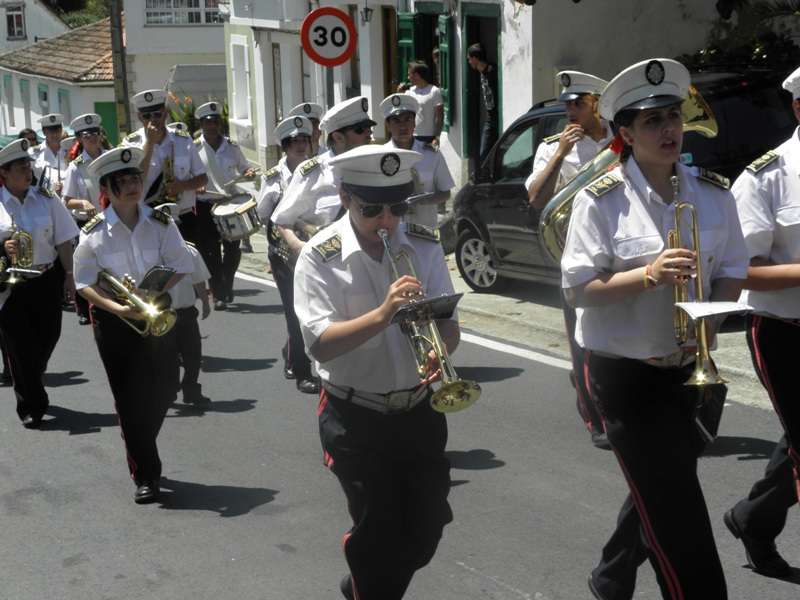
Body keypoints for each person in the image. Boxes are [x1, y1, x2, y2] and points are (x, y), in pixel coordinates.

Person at [561, 58, 748, 599]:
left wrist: (709, 322)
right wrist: (648, 275)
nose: (669, 129)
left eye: (672, 116)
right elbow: (579, 290)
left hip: (689, 370)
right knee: (678, 514)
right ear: (625, 132)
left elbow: (733, 268)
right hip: (626, 376)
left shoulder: (713, 194)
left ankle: (611, 574)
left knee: (664, 486)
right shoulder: (600, 201)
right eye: (651, 121)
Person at [294, 144, 458, 600]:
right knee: (380, 532)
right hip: (355, 415)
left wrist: (441, 350)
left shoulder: (423, 245)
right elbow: (321, 343)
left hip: (418, 410)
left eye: (397, 208)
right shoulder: (319, 257)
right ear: (345, 197)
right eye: (372, 209)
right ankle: (369, 580)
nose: (386, 221)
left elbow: (449, 324)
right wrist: (384, 313)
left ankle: (360, 585)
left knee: (427, 527)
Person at [73, 146, 193, 504]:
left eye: (135, 179)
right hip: (115, 322)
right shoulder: (93, 233)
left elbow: (181, 264)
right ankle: (146, 474)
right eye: (122, 181)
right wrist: (119, 308)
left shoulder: (161, 223)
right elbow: (84, 283)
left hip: (157, 311)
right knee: (129, 401)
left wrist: (153, 292)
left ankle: (141, 439)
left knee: (167, 387)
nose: (132, 186)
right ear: (107, 189)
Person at [723, 65, 800, 579]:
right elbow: (740, 271)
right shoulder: (765, 177)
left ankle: (752, 518)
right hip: (784, 332)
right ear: (798, 107)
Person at [528, 71, 613, 449]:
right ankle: (595, 417)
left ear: (598, 104)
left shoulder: (621, 140)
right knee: (584, 341)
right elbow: (535, 199)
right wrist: (561, 154)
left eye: (579, 103)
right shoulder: (552, 148)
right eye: (568, 104)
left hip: (619, 251)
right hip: (576, 255)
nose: (570, 111)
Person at [0, 139, 79, 429]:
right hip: (11, 286)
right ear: (4, 173)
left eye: (28, 165)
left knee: (49, 336)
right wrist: (3, 247)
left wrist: (69, 275)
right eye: (20, 168)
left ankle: (33, 374)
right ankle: (32, 406)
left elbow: (64, 239)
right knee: (19, 348)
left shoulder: (47, 199)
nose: (27, 171)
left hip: (45, 279)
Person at [271, 96, 374, 267]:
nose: (368, 134)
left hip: (366, 260)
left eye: (369, 128)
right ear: (338, 137)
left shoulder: (374, 166)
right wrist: (300, 249)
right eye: (360, 130)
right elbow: (282, 219)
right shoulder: (313, 172)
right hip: (325, 265)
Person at [255, 115, 317, 394]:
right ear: (285, 146)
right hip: (283, 254)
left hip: (313, 250)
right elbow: (262, 215)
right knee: (295, 312)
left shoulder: (317, 170)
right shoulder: (273, 178)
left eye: (305, 140)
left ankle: (291, 350)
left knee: (315, 310)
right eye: (294, 142)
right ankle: (303, 372)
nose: (301, 146)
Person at [192, 101, 257, 310]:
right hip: (205, 206)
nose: (212, 126)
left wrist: (248, 172)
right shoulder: (194, 148)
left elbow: (245, 167)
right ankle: (218, 293)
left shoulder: (232, 147)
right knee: (209, 252)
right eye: (207, 122)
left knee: (232, 250)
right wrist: (195, 186)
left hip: (229, 204)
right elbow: (186, 175)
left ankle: (226, 283)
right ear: (201, 124)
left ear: (220, 123)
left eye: (215, 122)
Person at [122, 89, 208, 244]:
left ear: (166, 113)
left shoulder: (183, 139)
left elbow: (202, 178)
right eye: (147, 116)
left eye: (157, 114)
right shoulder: (131, 144)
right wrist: (149, 143)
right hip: (147, 216)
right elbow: (136, 178)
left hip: (183, 216)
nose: (153, 120)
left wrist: (182, 186)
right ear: (139, 117)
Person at [381, 93, 454, 230]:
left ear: (414, 123)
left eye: (407, 119)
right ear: (388, 126)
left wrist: (422, 200)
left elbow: (445, 192)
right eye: (396, 121)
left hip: (425, 229)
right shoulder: (380, 156)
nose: (403, 126)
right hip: (392, 230)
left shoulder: (431, 154)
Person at [63, 113, 108, 325]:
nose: (92, 138)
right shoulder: (75, 167)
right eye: (87, 135)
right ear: (79, 139)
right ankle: (83, 308)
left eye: (95, 133)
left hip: (109, 220)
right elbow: (67, 200)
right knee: (85, 265)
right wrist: (83, 203)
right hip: (86, 224)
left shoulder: (110, 158)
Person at [169, 241, 212, 406]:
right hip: (160, 313)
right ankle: (169, 390)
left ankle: (191, 391)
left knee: (193, 356)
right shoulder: (145, 250)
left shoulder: (188, 251)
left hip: (186, 312)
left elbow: (198, 279)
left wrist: (205, 302)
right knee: (167, 357)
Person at [466, 43, 498, 165]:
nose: (469, 62)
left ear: (475, 58)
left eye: (469, 59)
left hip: (496, 115)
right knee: (484, 152)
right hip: (490, 116)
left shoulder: (492, 71)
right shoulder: (481, 72)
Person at [405, 62, 444, 145]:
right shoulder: (410, 91)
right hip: (412, 135)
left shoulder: (434, 91)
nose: (408, 77)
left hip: (428, 137)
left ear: (417, 75)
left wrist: (437, 137)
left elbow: (439, 116)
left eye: (409, 74)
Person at [30, 113, 68, 196]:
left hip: (68, 199)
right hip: (44, 199)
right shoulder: (33, 153)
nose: (55, 134)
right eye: (51, 131)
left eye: (57, 130)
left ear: (61, 130)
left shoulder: (70, 150)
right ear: (44, 132)